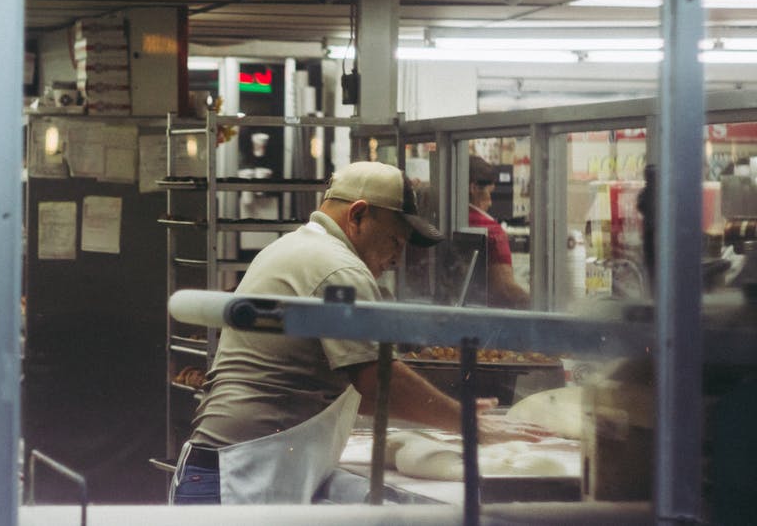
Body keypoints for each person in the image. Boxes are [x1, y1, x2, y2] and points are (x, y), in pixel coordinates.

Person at [170, 161, 550, 505]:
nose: (398, 258)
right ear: (358, 215)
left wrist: (446, 414)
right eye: (394, 241)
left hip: (228, 468)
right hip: (238, 478)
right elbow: (376, 380)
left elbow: (354, 391)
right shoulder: (339, 270)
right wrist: (467, 422)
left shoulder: (301, 248)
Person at [467, 155, 530, 308]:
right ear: (474, 188)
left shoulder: (440, 220)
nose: (490, 202)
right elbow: (505, 291)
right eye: (490, 192)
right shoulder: (492, 232)